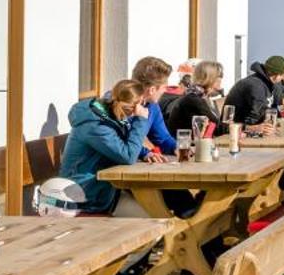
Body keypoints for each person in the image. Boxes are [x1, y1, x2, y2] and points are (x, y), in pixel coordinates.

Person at [58, 80, 151, 216]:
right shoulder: (96, 126)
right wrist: (141, 120)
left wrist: (144, 153)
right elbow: (128, 156)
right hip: (83, 196)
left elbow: (118, 144)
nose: (143, 107)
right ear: (134, 106)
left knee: (153, 212)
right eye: (141, 103)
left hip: (100, 190)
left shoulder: (107, 116)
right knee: (150, 217)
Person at [164, 59, 226, 139]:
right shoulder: (194, 100)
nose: (221, 80)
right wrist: (240, 126)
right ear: (210, 79)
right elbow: (218, 129)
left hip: (192, 144)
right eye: (219, 77)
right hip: (183, 147)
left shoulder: (198, 96)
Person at [131, 56, 178, 160]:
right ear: (152, 90)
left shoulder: (152, 106)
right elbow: (120, 141)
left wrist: (178, 147)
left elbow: (162, 139)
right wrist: (145, 153)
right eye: (164, 87)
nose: (165, 91)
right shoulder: (120, 104)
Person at [225, 56, 284, 128]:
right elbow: (255, 117)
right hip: (232, 131)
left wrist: (283, 104)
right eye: (273, 73)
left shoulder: (268, 83)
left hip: (243, 127)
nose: (278, 78)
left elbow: (275, 104)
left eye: (281, 75)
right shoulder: (256, 85)